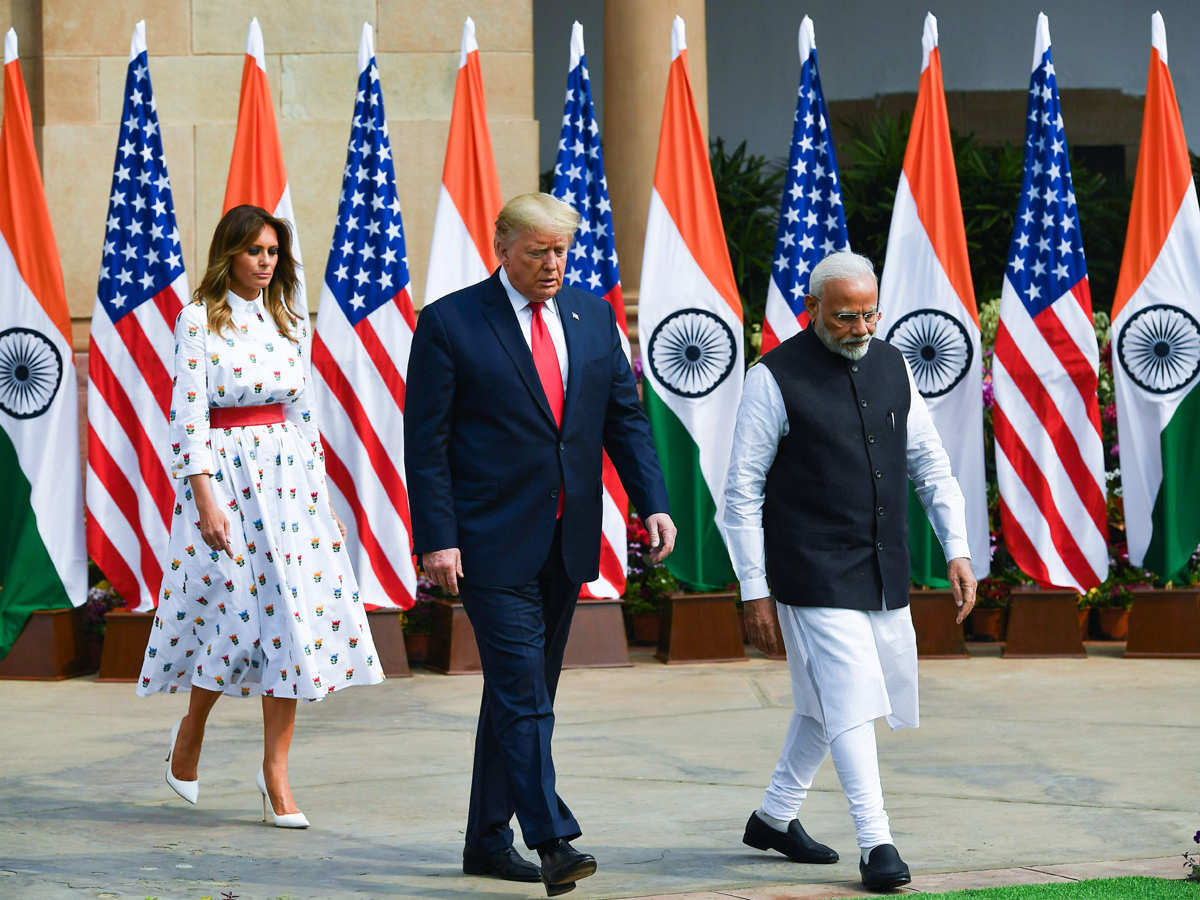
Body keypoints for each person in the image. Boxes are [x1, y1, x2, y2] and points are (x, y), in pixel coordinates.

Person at [405, 193, 675, 896]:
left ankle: (486, 839)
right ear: (502, 246)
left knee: (519, 693)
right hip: (488, 542)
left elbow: (625, 418)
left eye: (561, 251)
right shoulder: (451, 323)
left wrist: (653, 502)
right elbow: (426, 444)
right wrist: (437, 538)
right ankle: (553, 839)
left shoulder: (593, 318)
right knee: (526, 696)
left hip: (567, 538)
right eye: (538, 251)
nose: (552, 264)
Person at [723, 250, 977, 892]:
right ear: (813, 312)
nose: (861, 328)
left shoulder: (893, 365)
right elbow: (741, 490)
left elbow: (930, 463)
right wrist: (754, 588)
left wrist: (958, 548)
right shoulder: (771, 378)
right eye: (844, 318)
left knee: (831, 698)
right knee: (854, 697)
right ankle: (878, 844)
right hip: (809, 570)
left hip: (883, 563)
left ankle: (774, 817)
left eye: (869, 314)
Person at [136, 205, 383, 827]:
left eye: (274, 251)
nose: (266, 262)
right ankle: (191, 730)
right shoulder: (197, 321)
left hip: (287, 483)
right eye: (254, 251)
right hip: (223, 476)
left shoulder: (288, 320)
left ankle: (276, 775)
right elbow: (187, 416)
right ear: (230, 255)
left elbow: (303, 413)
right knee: (232, 615)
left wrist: (322, 500)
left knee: (290, 624)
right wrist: (203, 497)